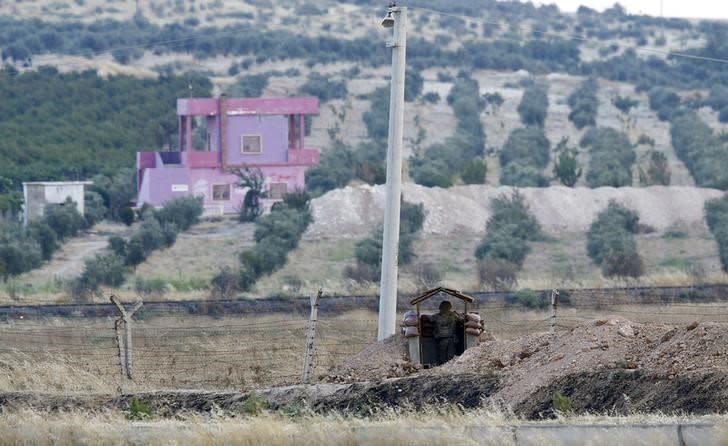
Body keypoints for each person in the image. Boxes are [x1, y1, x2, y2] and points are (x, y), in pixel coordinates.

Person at [430, 300, 462, 365]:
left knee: (447, 355)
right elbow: (461, 320)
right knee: (446, 356)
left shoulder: (437, 316)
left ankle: (445, 367)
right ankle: (446, 367)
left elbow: (429, 319)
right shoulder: (453, 315)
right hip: (444, 338)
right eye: (445, 307)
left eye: (446, 307)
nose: (446, 308)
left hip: (448, 338)